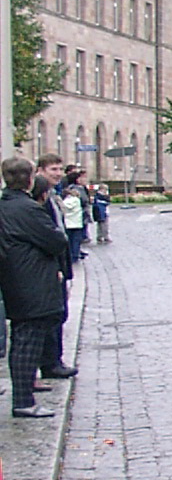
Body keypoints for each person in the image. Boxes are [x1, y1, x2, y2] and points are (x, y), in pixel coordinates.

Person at [0, 155, 67, 433]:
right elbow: (56, 240)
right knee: (28, 341)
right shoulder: (26, 209)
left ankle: (23, 397)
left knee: (22, 339)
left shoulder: (6, 205)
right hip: (31, 283)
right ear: (29, 179)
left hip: (16, 281)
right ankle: (24, 400)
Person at [31, 154, 75, 382]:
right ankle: (51, 362)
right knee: (52, 316)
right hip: (50, 267)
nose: (58, 173)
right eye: (53, 169)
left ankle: (54, 360)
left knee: (59, 314)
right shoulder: (39, 199)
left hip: (59, 264)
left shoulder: (53, 195)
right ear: (40, 171)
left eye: (60, 169)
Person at [59, 167, 90, 263]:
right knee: (75, 240)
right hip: (76, 220)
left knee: (73, 239)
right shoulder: (76, 190)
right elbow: (84, 200)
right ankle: (74, 255)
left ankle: (74, 254)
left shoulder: (70, 190)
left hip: (71, 221)